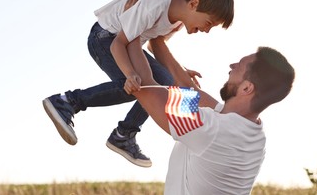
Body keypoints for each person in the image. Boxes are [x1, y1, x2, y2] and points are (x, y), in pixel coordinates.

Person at [42, 0, 234, 168]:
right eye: (209, 23)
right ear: (193, 3)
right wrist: (130, 73)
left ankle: (124, 134)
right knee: (138, 85)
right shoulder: (155, 5)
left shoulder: (176, 21)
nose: (207, 31)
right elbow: (119, 44)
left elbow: (155, 46)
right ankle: (67, 101)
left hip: (126, 42)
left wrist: (181, 70)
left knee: (165, 82)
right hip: (105, 38)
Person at [123, 36, 295, 194]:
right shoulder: (250, 131)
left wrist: (133, 31)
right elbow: (186, 86)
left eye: (239, 66)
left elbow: (145, 87)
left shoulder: (212, 129)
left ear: (246, 88)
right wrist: (158, 35)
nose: (232, 66)